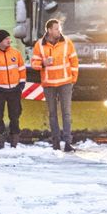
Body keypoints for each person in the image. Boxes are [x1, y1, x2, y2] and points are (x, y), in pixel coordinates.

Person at [31, 16, 78, 151]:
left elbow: (74, 61)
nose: (59, 31)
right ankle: (55, 142)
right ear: (50, 30)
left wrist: (73, 79)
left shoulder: (67, 43)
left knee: (66, 114)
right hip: (49, 84)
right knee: (52, 114)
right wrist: (43, 63)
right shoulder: (39, 45)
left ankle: (68, 143)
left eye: (59, 28)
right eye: (56, 28)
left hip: (65, 83)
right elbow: (34, 63)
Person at [0, 29, 26, 149]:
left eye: (9, 38)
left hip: (14, 90)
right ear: (0, 41)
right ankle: (0, 142)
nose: (9, 41)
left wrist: (21, 84)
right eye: (7, 39)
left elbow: (22, 70)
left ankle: (14, 141)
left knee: (15, 116)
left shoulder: (16, 54)